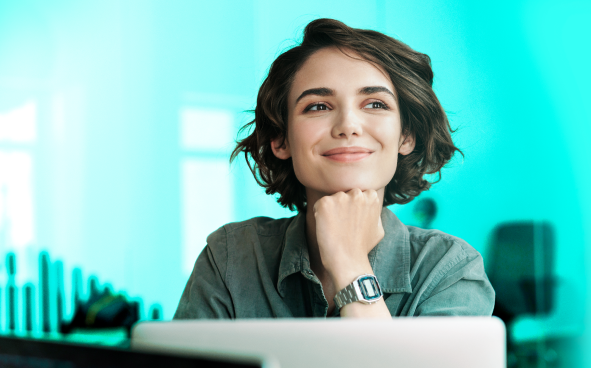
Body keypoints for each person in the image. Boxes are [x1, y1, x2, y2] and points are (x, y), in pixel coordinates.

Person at [174, 18, 494, 319]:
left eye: (375, 104)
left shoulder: (450, 270)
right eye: (318, 106)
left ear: (406, 136)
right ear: (280, 139)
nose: (348, 126)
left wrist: (350, 264)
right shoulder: (228, 259)